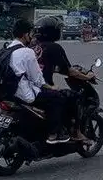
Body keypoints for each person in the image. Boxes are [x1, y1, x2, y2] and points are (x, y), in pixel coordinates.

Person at [31, 16, 95, 144]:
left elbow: (43, 65)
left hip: (25, 88)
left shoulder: (31, 46)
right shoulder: (54, 47)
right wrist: (87, 77)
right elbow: (69, 71)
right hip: (42, 89)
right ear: (52, 32)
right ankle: (74, 132)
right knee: (74, 97)